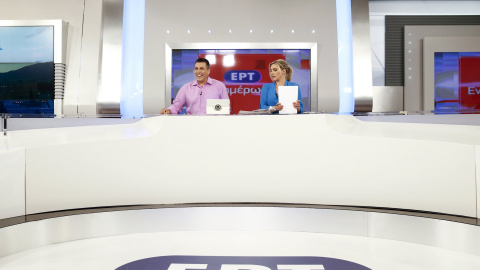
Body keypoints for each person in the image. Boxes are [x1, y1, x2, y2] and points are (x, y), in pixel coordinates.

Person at [161, 58, 229, 115]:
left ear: (208, 71)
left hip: (213, 125)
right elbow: (177, 105)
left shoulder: (219, 86)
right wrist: (169, 110)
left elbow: (226, 107)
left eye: (202, 68)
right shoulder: (186, 88)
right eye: (196, 69)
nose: (198, 71)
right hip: (192, 125)